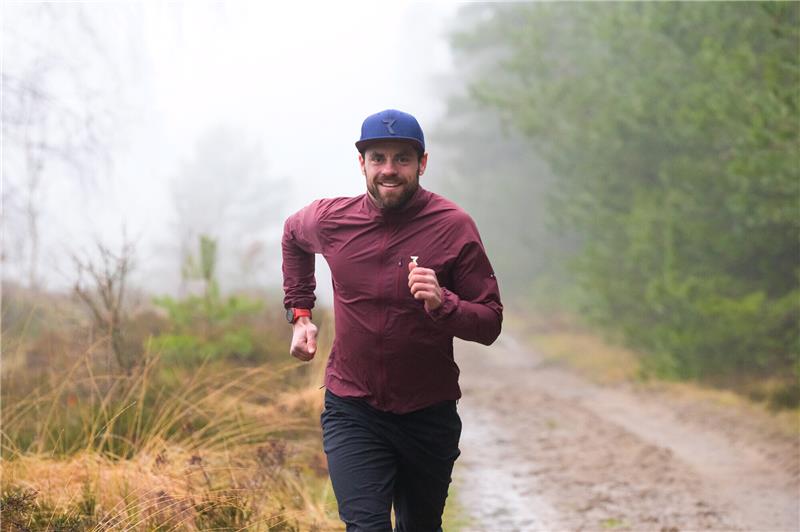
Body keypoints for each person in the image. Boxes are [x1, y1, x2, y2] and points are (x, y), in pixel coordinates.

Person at [281, 109, 503, 532]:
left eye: (402, 158)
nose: (389, 169)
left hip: (428, 413)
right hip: (353, 409)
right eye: (378, 157)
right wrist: (301, 314)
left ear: (422, 163)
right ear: (361, 163)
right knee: (366, 528)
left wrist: (443, 302)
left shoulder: (453, 226)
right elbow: (293, 236)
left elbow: (490, 322)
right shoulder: (331, 220)